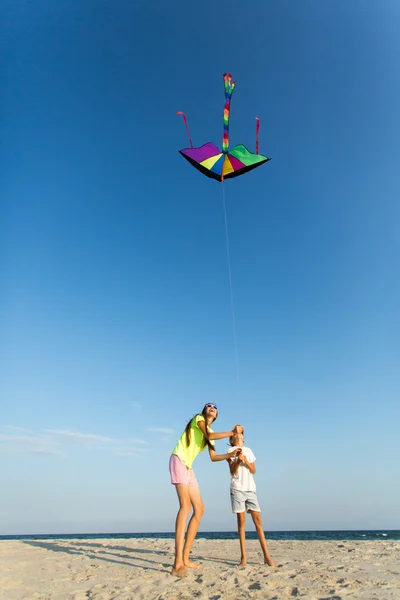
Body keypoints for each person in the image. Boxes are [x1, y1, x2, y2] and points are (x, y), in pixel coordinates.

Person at [169, 402, 243, 577]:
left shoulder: (210, 435)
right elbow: (208, 435)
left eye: (215, 407)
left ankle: (186, 558)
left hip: (188, 467)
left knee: (199, 509)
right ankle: (177, 563)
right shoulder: (199, 419)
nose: (212, 408)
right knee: (185, 507)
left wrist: (231, 455)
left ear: (216, 415)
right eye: (209, 406)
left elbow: (213, 457)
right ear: (205, 411)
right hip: (178, 460)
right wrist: (233, 432)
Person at [227, 431, 276, 567]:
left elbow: (253, 470)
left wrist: (245, 461)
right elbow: (232, 471)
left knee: (258, 520)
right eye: (236, 432)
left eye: (241, 433)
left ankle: (267, 556)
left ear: (244, 438)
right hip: (237, 488)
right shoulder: (230, 451)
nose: (239, 434)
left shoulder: (248, 450)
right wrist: (237, 461)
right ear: (232, 438)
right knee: (241, 521)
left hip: (250, 489)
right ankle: (243, 557)